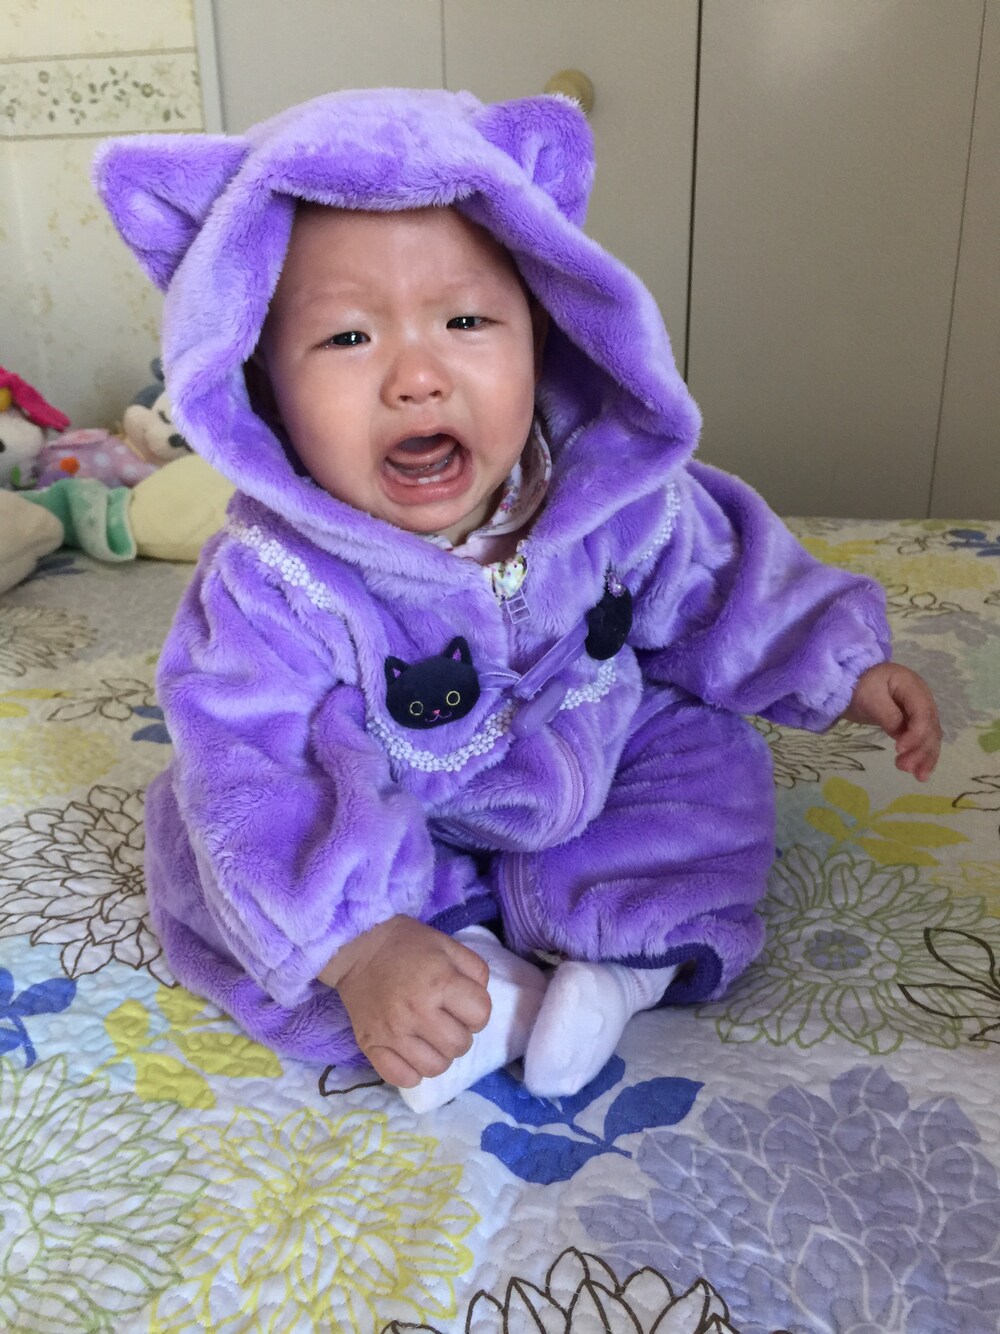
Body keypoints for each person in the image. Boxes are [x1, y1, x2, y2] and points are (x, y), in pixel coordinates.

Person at [95, 88, 940, 1112]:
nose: (417, 377)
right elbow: (253, 753)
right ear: (261, 383)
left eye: (466, 321)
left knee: (702, 755)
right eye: (348, 339)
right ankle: (457, 977)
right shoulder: (273, 579)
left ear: (541, 334)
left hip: (591, 750)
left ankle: (625, 966)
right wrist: (360, 944)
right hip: (407, 808)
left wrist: (839, 661)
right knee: (219, 838)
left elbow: (722, 577)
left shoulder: (607, 496)